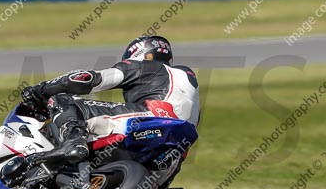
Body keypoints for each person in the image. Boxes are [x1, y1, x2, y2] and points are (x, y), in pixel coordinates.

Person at [21, 36, 200, 165]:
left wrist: (41, 90)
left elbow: (85, 79)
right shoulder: (188, 82)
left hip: (152, 117)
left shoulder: (144, 66)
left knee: (62, 100)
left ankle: (73, 142)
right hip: (174, 153)